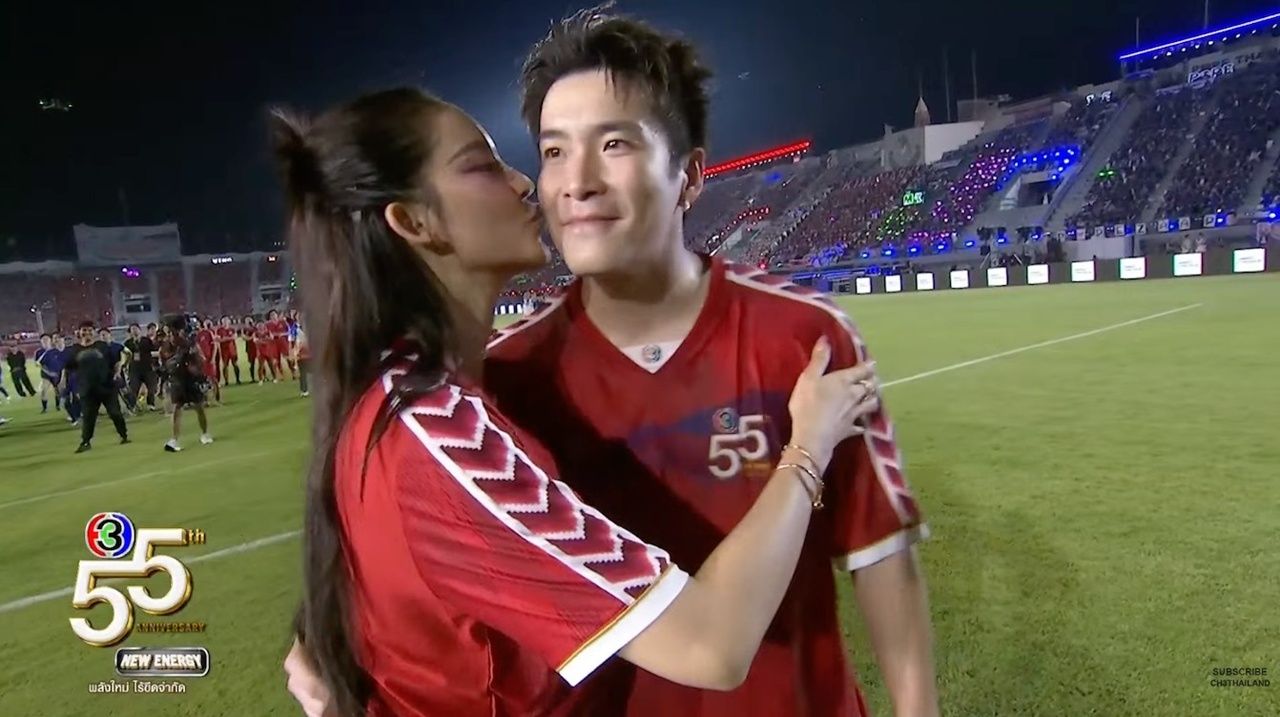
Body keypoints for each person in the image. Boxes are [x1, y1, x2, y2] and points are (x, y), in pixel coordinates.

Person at [286, 9, 936, 717]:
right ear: (413, 223)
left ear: (689, 175)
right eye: (553, 150)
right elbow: (708, 642)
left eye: (615, 143)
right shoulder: (494, 388)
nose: (569, 182)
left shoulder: (806, 337)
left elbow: (880, 554)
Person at [64, 322, 129, 453]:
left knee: (115, 413)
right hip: (87, 389)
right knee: (88, 417)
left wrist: (117, 373)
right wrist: (72, 386)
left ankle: (123, 435)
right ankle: (85, 442)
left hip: (107, 387)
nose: (87, 333)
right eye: (84, 330)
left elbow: (116, 361)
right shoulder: (74, 350)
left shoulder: (103, 346)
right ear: (79, 332)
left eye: (90, 330)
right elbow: (69, 369)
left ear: (94, 332)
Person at [161, 315, 213, 452]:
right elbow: (166, 361)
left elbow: (201, 359)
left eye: (169, 330)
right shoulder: (169, 344)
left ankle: (205, 433)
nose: (168, 333)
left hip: (191, 379)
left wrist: (195, 369)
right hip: (177, 379)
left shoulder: (188, 342)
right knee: (177, 408)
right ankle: (174, 440)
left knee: (199, 406)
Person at [124, 323, 160, 411]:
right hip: (134, 369)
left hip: (147, 367)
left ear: (140, 330)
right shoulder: (128, 343)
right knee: (134, 388)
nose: (134, 331)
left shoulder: (146, 341)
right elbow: (125, 355)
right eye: (132, 329)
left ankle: (151, 404)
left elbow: (154, 351)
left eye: (136, 328)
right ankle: (132, 406)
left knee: (151, 387)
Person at [35, 333, 66, 413]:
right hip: (46, 374)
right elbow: (37, 364)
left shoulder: (56, 350)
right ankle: (44, 408)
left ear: (50, 340)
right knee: (44, 390)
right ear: (41, 341)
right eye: (43, 340)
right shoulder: (39, 352)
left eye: (47, 339)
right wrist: (48, 372)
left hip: (57, 374)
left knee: (57, 391)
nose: (45, 341)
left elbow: (62, 362)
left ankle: (57, 406)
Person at [195, 318, 223, 405]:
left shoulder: (208, 333)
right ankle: (206, 400)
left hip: (209, 360)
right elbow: (198, 347)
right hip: (201, 361)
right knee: (203, 380)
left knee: (213, 379)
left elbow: (214, 345)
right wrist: (200, 357)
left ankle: (217, 398)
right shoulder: (197, 336)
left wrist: (213, 358)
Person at [216, 315, 241, 385]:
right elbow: (219, 339)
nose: (225, 322)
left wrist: (225, 338)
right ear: (221, 322)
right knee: (225, 366)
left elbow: (234, 337)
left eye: (226, 320)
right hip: (224, 351)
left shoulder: (232, 329)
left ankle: (238, 379)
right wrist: (228, 338)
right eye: (224, 321)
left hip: (232, 350)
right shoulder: (219, 330)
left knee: (235, 364)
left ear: (229, 321)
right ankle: (226, 381)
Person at [293, 315, 311, 398]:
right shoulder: (298, 331)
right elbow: (297, 343)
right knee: (303, 374)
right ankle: (304, 390)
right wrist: (296, 353)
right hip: (303, 355)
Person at [242, 315, 260, 382]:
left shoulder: (256, 328)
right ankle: (252, 378)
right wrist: (251, 337)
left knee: (261, 362)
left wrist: (251, 337)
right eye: (247, 320)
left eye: (249, 320)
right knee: (252, 363)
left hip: (257, 347)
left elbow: (259, 335)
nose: (248, 321)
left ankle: (263, 376)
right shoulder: (244, 329)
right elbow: (244, 338)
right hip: (249, 348)